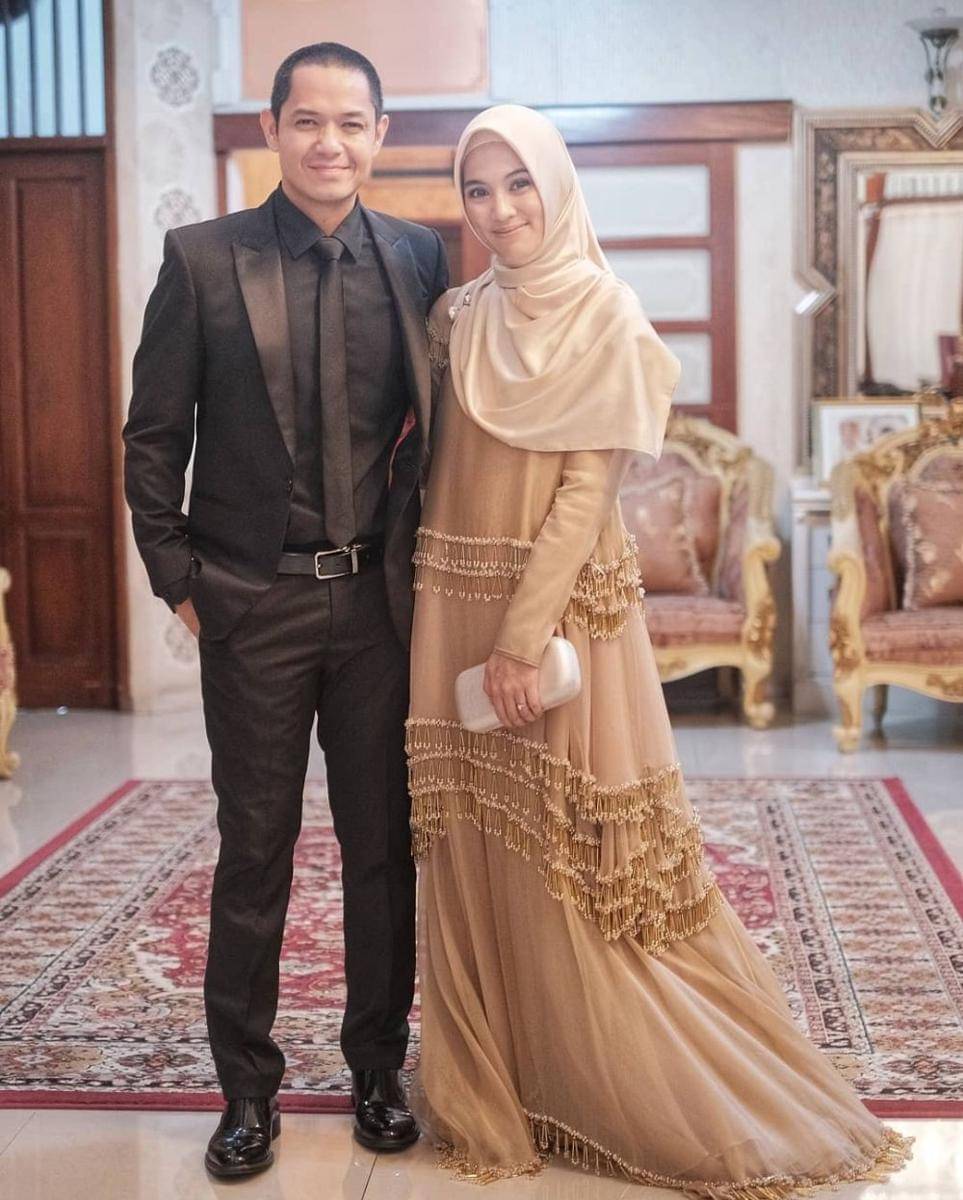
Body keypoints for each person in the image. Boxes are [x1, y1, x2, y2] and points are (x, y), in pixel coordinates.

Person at [406, 104, 913, 1195]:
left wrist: (521, 638)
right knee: (476, 836)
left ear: (557, 186)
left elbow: (587, 492)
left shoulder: (606, 311)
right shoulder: (456, 315)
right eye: (478, 190)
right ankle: (512, 1068)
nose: (500, 210)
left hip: (553, 611)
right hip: (452, 592)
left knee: (574, 841)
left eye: (519, 184)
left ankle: (606, 1074)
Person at [123, 42, 448, 1178]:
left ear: (380, 135)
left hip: (377, 607)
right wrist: (181, 582)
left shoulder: (417, 257)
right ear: (272, 129)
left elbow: (443, 429)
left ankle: (376, 1070)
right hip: (251, 604)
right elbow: (152, 438)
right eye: (308, 121)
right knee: (254, 850)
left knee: (381, 851)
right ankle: (247, 1093)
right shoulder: (203, 259)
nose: (329, 143)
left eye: (351, 123)